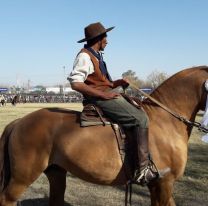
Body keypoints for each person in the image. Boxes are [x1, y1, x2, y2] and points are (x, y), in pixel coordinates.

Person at [68, 22, 160, 185]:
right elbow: (76, 83)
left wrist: (116, 82)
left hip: (106, 93)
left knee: (141, 108)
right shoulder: (84, 56)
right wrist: (102, 95)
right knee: (141, 119)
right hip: (98, 99)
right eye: (105, 37)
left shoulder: (97, 55)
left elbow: (101, 82)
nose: (107, 41)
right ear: (99, 38)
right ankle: (142, 170)